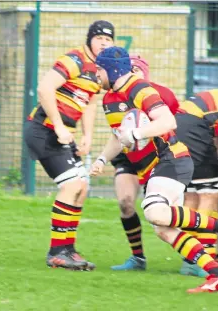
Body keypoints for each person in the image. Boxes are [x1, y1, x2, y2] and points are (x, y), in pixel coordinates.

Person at [91, 46, 218, 293]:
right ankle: (214, 275)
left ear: (111, 69)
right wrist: (101, 159)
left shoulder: (140, 89)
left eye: (98, 69)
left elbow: (168, 121)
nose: (95, 74)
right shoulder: (109, 99)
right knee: (164, 230)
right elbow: (119, 137)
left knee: (154, 211)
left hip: (171, 158)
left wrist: (136, 133)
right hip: (153, 168)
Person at [24, 20, 114, 270]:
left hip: (63, 134)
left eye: (108, 40)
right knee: (73, 184)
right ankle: (56, 252)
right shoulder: (74, 59)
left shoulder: (100, 68)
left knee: (82, 188)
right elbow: (44, 88)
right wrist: (60, 126)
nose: (103, 43)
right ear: (89, 40)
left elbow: (91, 102)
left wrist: (87, 135)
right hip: (43, 130)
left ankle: (67, 249)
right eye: (99, 39)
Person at [109, 55, 181, 272]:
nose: (131, 75)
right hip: (128, 156)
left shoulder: (162, 94)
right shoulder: (114, 97)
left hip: (159, 156)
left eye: (136, 70)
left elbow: (174, 125)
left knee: (169, 213)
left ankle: (192, 259)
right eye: (127, 70)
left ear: (144, 74)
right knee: (125, 203)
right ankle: (137, 258)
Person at [175, 89, 218, 276]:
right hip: (194, 127)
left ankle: (190, 260)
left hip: (181, 125)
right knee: (210, 193)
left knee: (192, 194)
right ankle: (206, 257)